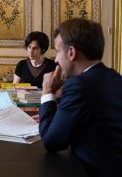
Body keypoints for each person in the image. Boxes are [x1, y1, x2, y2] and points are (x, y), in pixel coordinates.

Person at [39, 18, 122, 176]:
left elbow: (52, 142)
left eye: (57, 51)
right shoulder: (114, 77)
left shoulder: (79, 85)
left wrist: (47, 92)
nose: (55, 59)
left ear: (71, 52)